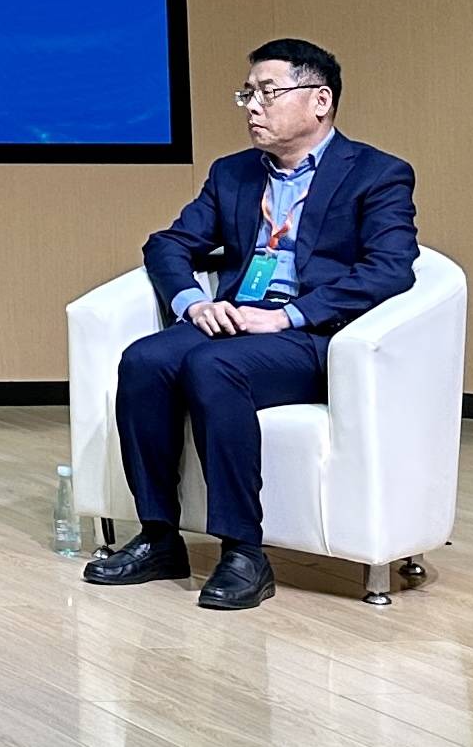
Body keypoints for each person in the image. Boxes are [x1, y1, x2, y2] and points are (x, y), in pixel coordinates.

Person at [84, 38, 418, 610]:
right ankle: (159, 536)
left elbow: (389, 268)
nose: (252, 107)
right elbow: (168, 243)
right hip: (235, 321)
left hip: (313, 334)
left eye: (267, 92)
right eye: (247, 94)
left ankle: (243, 551)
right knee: (144, 359)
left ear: (320, 100)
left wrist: (287, 315)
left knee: (213, 367)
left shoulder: (377, 174)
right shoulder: (234, 173)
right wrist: (194, 302)